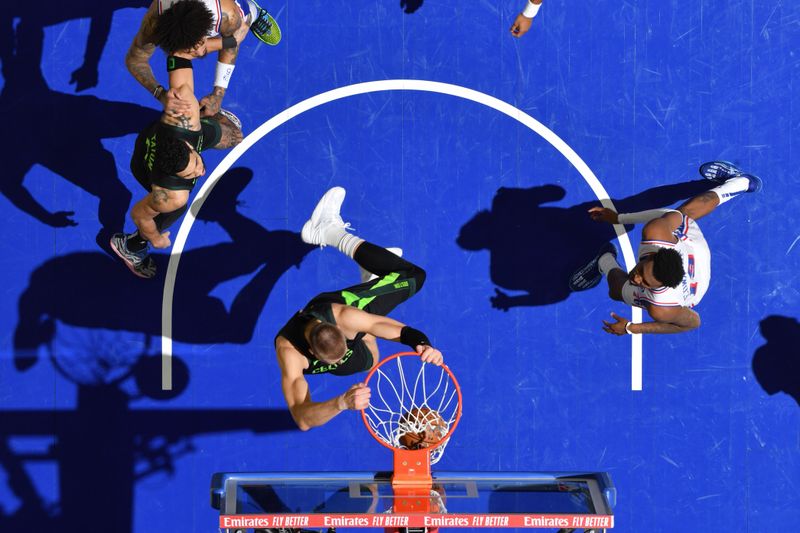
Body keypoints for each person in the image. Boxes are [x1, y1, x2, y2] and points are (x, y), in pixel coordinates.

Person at [275, 187, 444, 431]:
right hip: (351, 339)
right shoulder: (290, 352)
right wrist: (341, 403)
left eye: (344, 349)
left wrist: (422, 344)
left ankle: (328, 231)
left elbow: (388, 327)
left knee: (413, 276)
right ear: (311, 352)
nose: (343, 356)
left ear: (337, 329)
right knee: (371, 359)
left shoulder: (344, 316)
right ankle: (370, 281)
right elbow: (301, 419)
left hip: (344, 309)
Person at [570, 161, 762, 335]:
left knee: (617, 291)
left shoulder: (661, 306)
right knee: (684, 212)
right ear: (656, 253)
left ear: (658, 286)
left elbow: (693, 323)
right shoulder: (656, 233)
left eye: (644, 282)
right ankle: (743, 182)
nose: (636, 278)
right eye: (641, 271)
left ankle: (604, 259)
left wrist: (631, 328)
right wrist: (619, 218)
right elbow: (667, 213)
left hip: (692, 291)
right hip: (693, 246)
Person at [110, 48, 244, 278]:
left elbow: (179, 54)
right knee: (176, 209)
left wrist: (211, 43)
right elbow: (140, 215)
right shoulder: (170, 194)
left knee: (235, 136)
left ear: (191, 147)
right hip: (145, 167)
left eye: (195, 163)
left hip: (161, 139)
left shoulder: (182, 115)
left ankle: (207, 117)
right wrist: (155, 238)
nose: (201, 172)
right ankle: (132, 247)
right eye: (191, 174)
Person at [126, 0, 275, 117]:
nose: (198, 52)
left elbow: (234, 40)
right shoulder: (153, 24)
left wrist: (218, 94)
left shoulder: (227, 15)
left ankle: (253, 10)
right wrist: (160, 94)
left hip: (228, 13)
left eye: (200, 44)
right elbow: (135, 60)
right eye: (189, 49)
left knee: (243, 22)